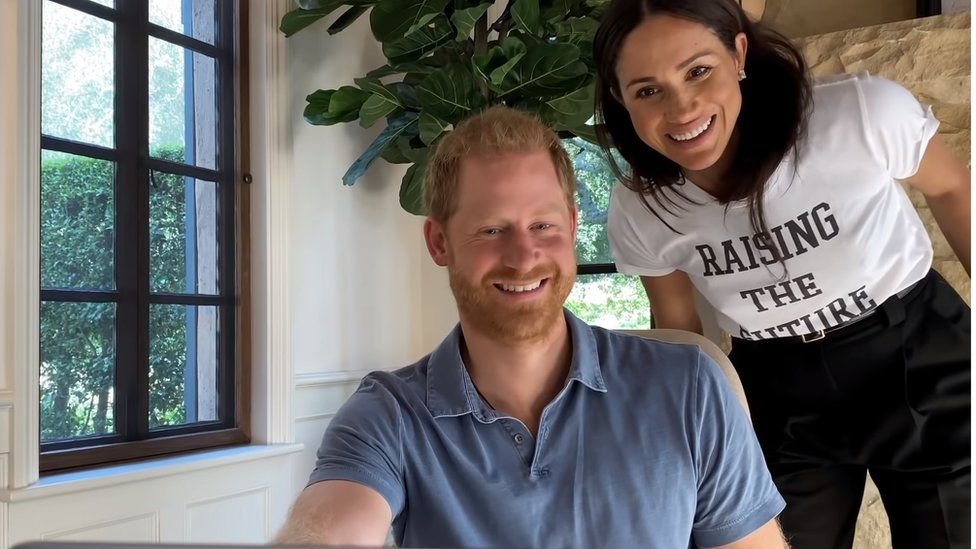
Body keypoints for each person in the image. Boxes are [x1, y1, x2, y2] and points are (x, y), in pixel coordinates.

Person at [273, 106, 788, 548]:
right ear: (439, 243)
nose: (523, 258)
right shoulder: (389, 416)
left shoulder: (690, 388)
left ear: (571, 226)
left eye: (542, 225)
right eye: (492, 230)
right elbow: (330, 528)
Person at [592, 1, 971, 548]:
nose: (682, 108)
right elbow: (679, 329)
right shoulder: (641, 207)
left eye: (698, 70)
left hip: (914, 353)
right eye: (647, 90)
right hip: (776, 388)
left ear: (739, 53)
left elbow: (952, 188)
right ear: (619, 99)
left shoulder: (857, 113)